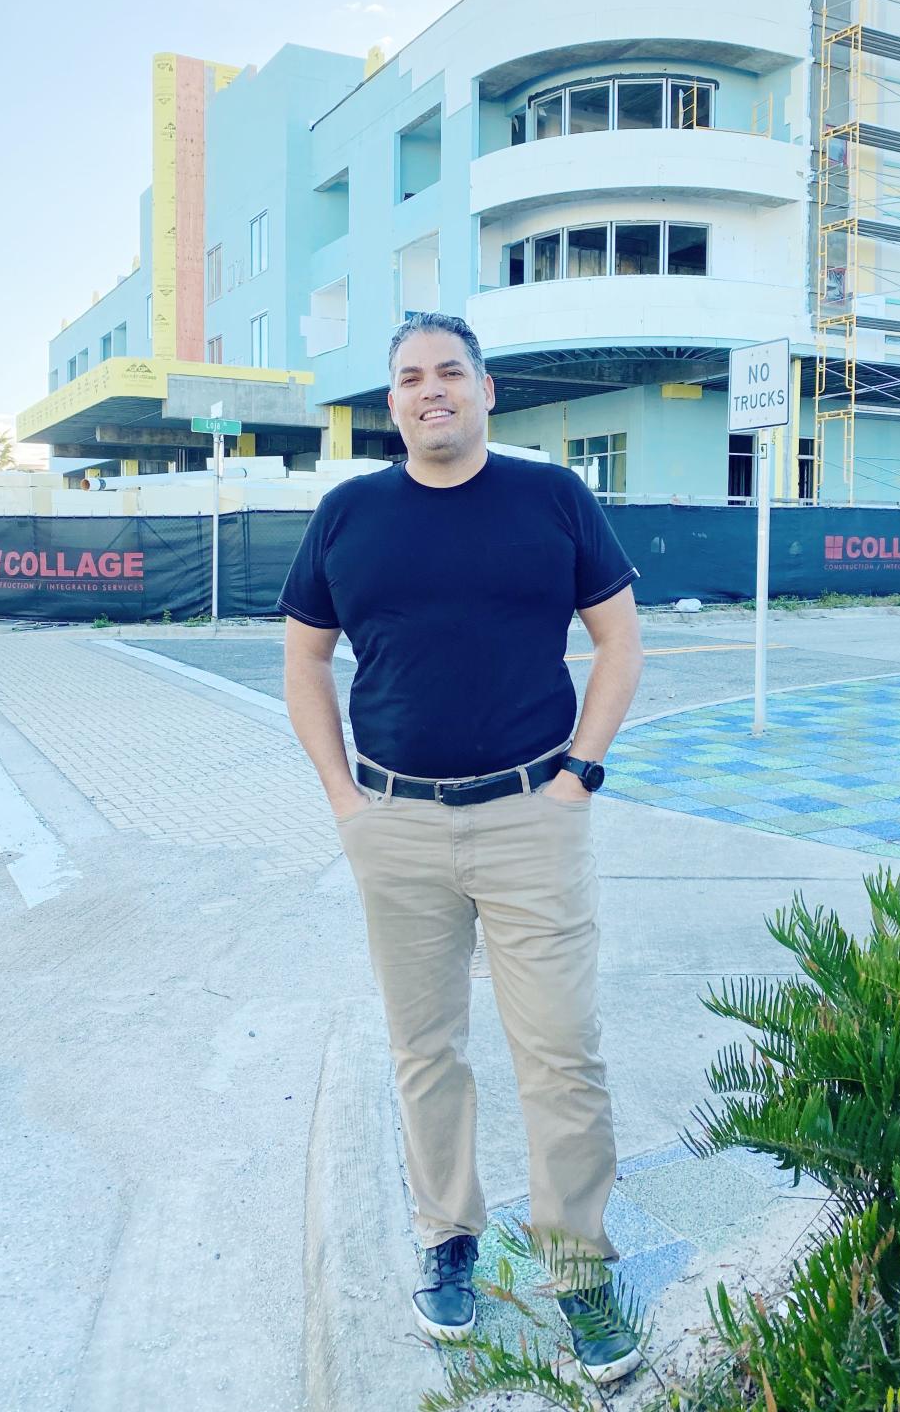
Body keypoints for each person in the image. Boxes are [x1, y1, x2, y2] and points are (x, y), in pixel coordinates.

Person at [280, 312, 645, 1385]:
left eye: (449, 372)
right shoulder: (349, 514)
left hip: (534, 814)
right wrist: (346, 802)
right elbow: (305, 663)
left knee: (561, 1054)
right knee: (426, 1050)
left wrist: (580, 774)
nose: (430, 390)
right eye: (409, 378)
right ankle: (449, 1238)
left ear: (486, 389)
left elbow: (619, 641)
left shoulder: (553, 499)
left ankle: (577, 1269)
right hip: (393, 824)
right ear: (391, 402)